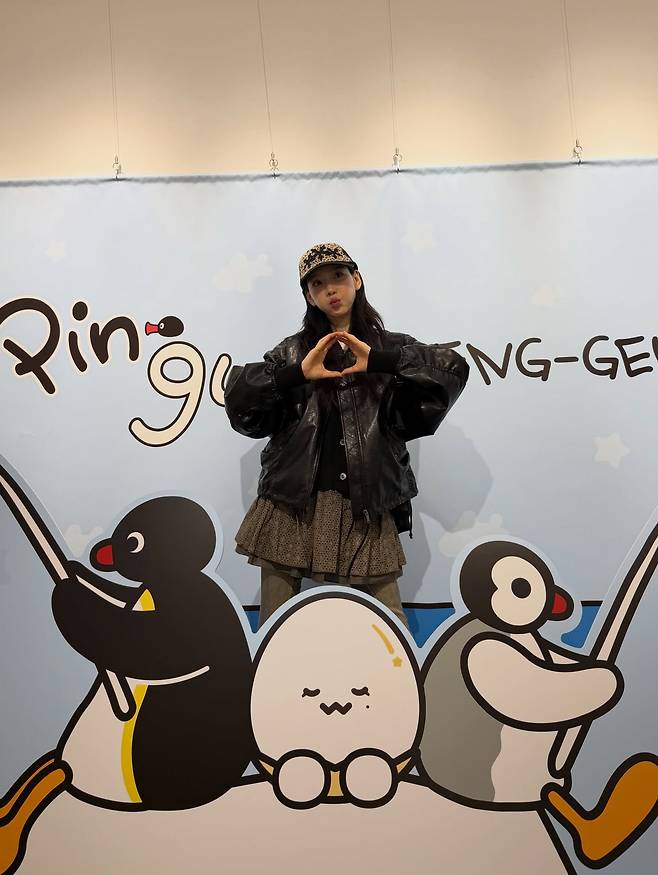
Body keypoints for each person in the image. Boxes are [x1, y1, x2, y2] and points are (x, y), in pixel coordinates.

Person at [224, 242, 469, 629]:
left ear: (356, 279)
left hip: (365, 504)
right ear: (310, 296)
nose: (330, 289)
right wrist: (295, 374)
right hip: (292, 503)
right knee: (276, 623)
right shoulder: (292, 352)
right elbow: (239, 403)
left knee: (389, 623)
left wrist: (380, 361)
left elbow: (452, 371)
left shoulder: (392, 347)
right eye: (318, 284)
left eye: (338, 277)